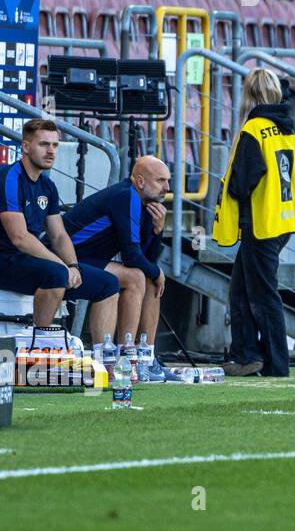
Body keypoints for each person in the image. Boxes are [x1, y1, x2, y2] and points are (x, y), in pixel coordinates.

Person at [213, 70, 295, 377]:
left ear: (248, 95)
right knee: (240, 290)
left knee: (262, 295)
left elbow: (242, 182)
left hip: (261, 221)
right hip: (283, 219)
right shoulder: (286, 127)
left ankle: (276, 363)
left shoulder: (254, 128)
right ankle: (247, 355)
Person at [60, 156, 179, 381]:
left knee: (147, 278)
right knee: (136, 277)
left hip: (89, 257)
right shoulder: (126, 196)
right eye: (161, 180)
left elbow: (146, 258)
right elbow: (132, 256)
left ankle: (147, 358)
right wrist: (157, 272)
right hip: (66, 257)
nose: (167, 188)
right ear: (141, 181)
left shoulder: (144, 203)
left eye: (168, 181)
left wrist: (157, 230)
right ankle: (127, 358)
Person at [0, 119, 120, 331]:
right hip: (5, 259)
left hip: (26, 260)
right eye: (44, 144)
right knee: (56, 274)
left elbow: (59, 236)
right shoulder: (10, 178)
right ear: (26, 147)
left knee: (108, 284)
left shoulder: (47, 185)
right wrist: (62, 266)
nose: (51, 151)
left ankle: (105, 358)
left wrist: (73, 266)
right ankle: (40, 344)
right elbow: (20, 238)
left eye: (55, 145)